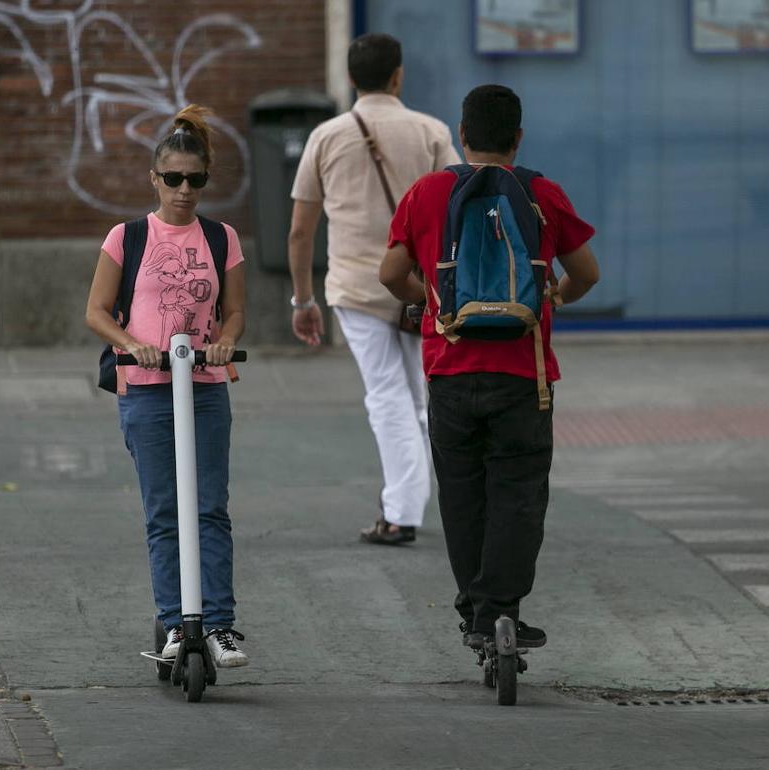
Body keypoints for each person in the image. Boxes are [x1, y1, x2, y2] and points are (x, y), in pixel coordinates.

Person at [379, 84, 600, 648]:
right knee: (519, 494)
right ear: (518, 138)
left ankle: (475, 611)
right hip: (524, 377)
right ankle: (500, 610)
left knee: (462, 494)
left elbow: (388, 273)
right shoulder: (542, 193)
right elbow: (587, 273)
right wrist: (555, 296)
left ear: (461, 133)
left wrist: (427, 297)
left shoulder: (428, 192)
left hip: (449, 371)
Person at [84, 105, 250, 668]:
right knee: (164, 512)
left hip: (203, 383)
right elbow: (97, 312)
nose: (184, 190)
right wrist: (132, 345)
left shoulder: (222, 238)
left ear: (206, 180)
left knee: (209, 510)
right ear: (154, 178)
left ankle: (221, 625)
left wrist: (225, 341)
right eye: (173, 179)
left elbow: (234, 313)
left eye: (195, 180)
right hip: (148, 387)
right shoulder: (127, 237)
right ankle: (177, 624)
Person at [288, 33, 460, 546]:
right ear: (398, 75)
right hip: (419, 288)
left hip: (356, 288)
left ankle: (403, 511)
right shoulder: (430, 132)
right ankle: (419, 500)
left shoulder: (327, 137)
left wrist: (303, 299)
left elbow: (300, 230)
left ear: (349, 79)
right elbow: (457, 205)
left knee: (387, 396)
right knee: (417, 397)